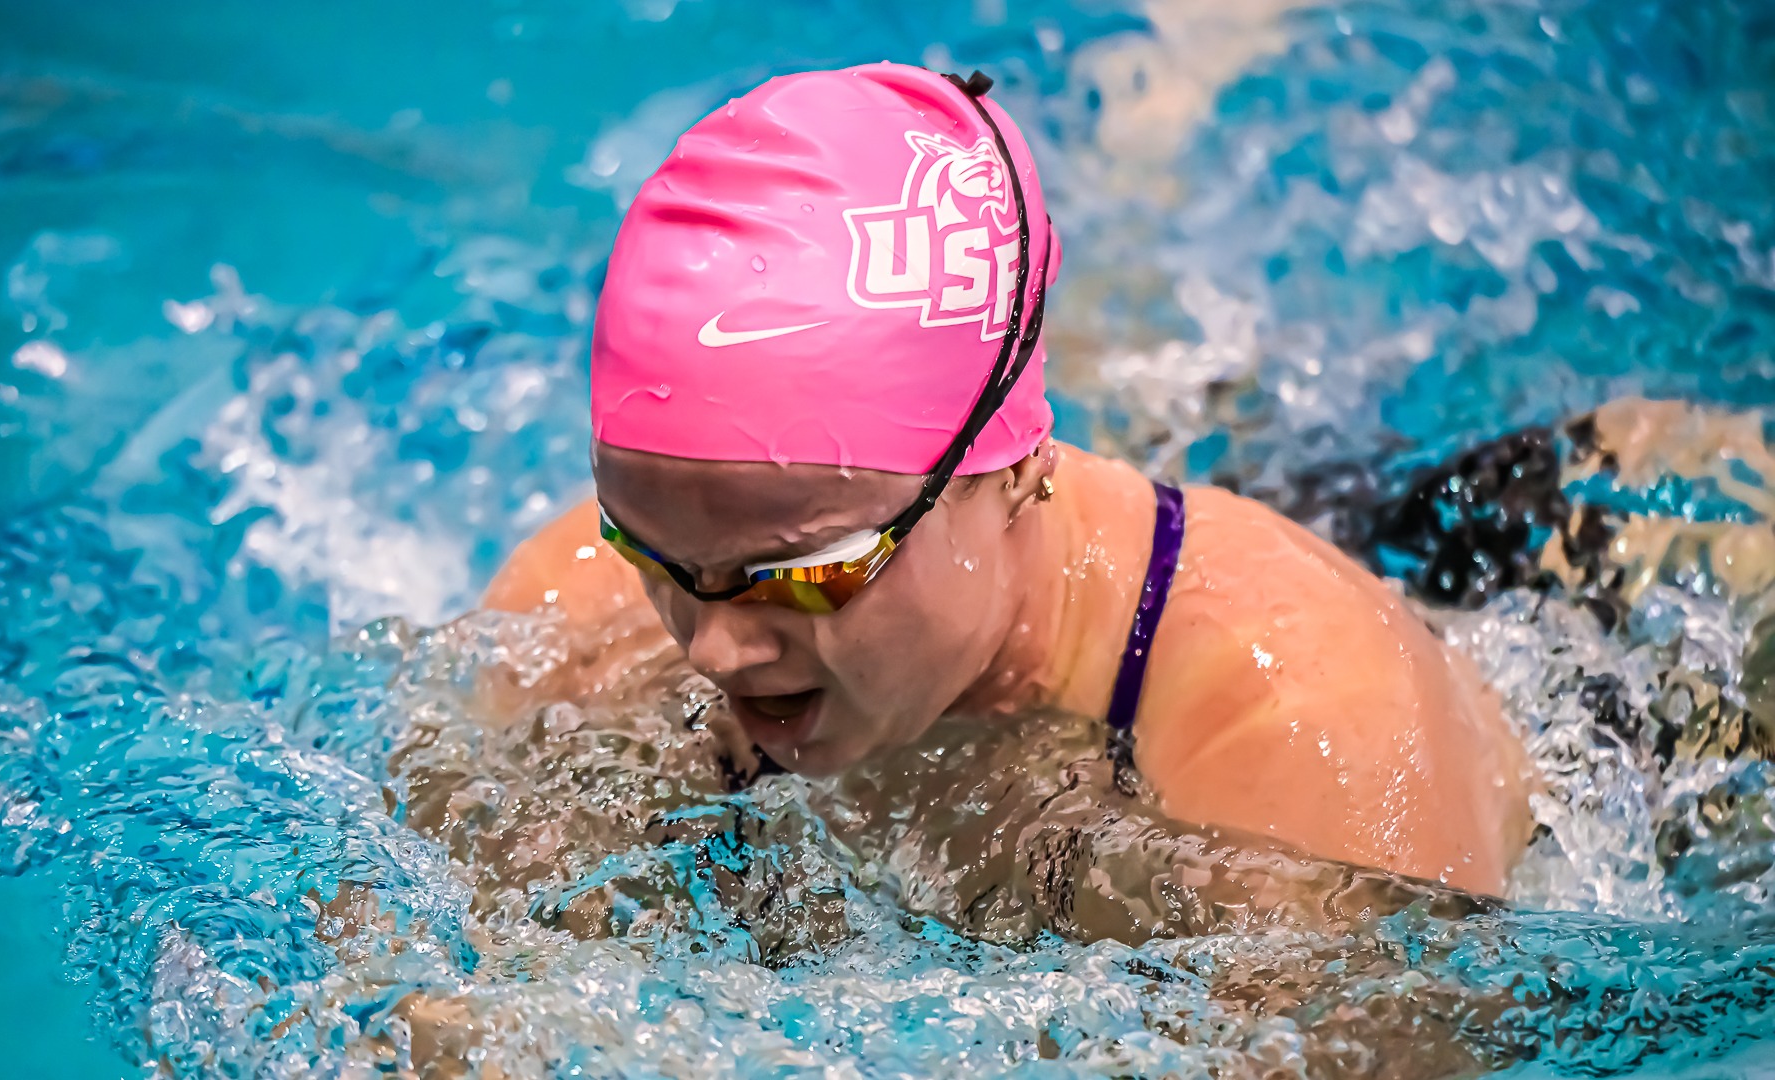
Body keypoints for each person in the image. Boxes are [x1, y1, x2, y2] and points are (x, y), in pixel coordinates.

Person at [484, 62, 1530, 896]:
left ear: (1019, 465)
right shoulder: (577, 606)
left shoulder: (1310, 728)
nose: (710, 642)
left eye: (801, 572)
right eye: (652, 549)